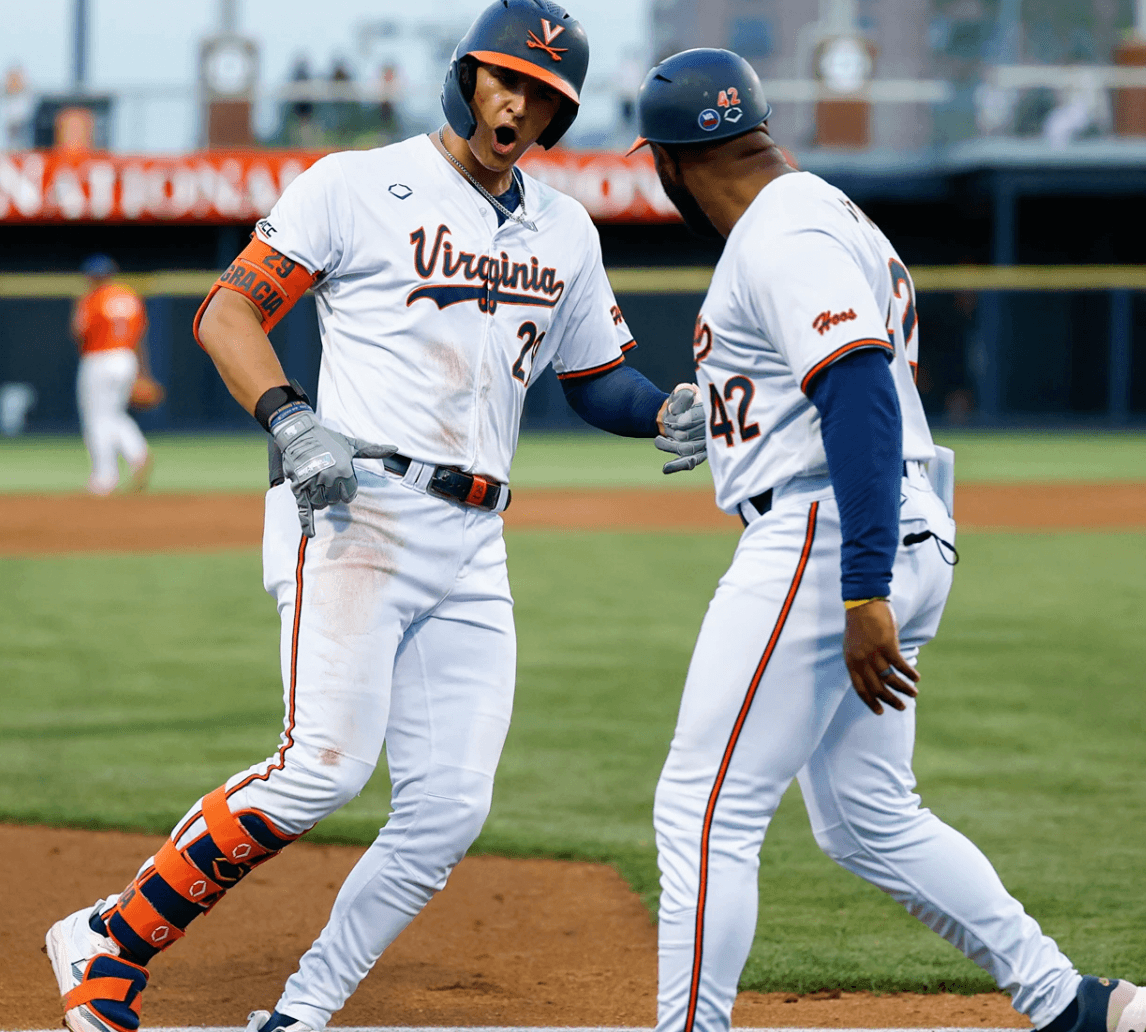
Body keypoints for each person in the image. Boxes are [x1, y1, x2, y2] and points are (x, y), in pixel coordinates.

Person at [43, 5, 705, 1032]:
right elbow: (227, 312)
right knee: (322, 767)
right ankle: (111, 940)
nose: (517, 104)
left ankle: (302, 1011)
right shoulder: (355, 185)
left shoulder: (564, 229)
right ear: (466, 75)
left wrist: (667, 407)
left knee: (447, 812)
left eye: (543, 95)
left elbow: (597, 377)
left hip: (475, 540)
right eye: (504, 79)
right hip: (356, 510)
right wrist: (289, 416)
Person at [625, 48, 1146, 1032]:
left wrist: (862, 587)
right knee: (869, 816)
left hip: (831, 533)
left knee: (700, 810)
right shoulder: (820, 214)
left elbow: (859, 387)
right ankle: (1072, 1004)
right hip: (886, 520)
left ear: (672, 161)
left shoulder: (781, 231)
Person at [71, 254, 153, 495]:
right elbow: (139, 338)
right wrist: (143, 372)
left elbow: (79, 332)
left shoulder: (92, 298)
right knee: (112, 414)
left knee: (96, 418)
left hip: (99, 358)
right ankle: (138, 454)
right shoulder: (129, 296)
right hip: (126, 359)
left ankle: (104, 478)